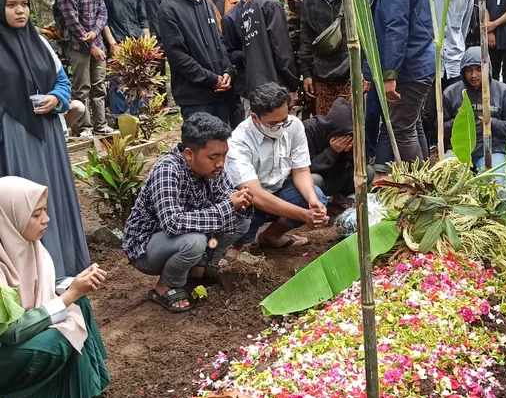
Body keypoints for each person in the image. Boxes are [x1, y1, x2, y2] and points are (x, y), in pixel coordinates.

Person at [0, 0, 91, 277]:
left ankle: (65, 268)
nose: (20, 11)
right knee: (25, 205)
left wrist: (55, 99)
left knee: (53, 200)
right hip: (13, 139)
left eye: (24, 4)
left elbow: (63, 82)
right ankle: (34, 277)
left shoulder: (39, 42)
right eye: (11, 5)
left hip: (48, 135)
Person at [0, 177, 110, 398]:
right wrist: (70, 294)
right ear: (9, 218)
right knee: (56, 340)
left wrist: (72, 287)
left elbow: (39, 288)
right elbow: (9, 333)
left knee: (76, 300)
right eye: (36, 214)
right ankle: (8, 396)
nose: (46, 219)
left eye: (45, 211)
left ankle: (91, 381)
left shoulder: (24, 246)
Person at [123, 113, 253, 312]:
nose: (220, 163)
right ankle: (166, 285)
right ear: (189, 154)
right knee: (195, 241)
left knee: (240, 219)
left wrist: (240, 199)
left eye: (224, 155)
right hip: (147, 247)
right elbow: (172, 223)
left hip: (187, 235)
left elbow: (225, 195)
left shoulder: (213, 169)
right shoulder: (167, 170)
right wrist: (228, 206)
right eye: (213, 157)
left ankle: (202, 266)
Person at [360, 0, 436, 174]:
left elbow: (396, 26)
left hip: (409, 66)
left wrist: (390, 74)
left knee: (402, 128)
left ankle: (419, 187)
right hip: (421, 59)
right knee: (413, 126)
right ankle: (427, 181)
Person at [226, 82, 329, 249]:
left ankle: (271, 236)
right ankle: (237, 245)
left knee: (317, 195)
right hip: (250, 201)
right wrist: (303, 214)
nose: (281, 127)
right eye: (273, 124)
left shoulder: (294, 126)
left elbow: (301, 170)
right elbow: (255, 194)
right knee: (244, 211)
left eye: (284, 120)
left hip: (278, 190)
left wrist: (312, 200)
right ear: (255, 118)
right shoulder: (238, 142)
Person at [158, 0, 234, 123]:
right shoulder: (169, 8)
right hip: (194, 98)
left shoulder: (206, 4)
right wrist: (211, 79)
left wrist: (228, 70)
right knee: (201, 148)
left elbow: (220, 42)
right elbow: (177, 56)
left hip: (220, 92)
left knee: (223, 147)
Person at [56, 0, 115, 137]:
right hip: (77, 47)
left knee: (99, 86)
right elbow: (71, 22)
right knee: (82, 87)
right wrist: (90, 44)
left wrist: (95, 33)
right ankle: (84, 128)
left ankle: (101, 125)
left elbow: (103, 12)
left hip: (97, 43)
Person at [422, 0, 474, 148]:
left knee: (454, 107)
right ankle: (428, 146)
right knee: (427, 109)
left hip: (454, 60)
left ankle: (451, 147)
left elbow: (464, 27)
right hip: (429, 59)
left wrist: (455, 47)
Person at [444, 47, 506, 172]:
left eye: (479, 69)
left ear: (488, 69)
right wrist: (459, 122)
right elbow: (438, 128)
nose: (474, 75)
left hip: (492, 149)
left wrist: (492, 123)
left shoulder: (504, 91)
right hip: (459, 150)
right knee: (446, 178)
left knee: (496, 183)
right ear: (463, 71)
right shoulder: (451, 93)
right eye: (469, 70)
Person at [298, 0, 351, 116]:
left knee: (350, 130)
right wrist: (306, 73)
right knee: (326, 127)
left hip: (351, 75)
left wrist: (365, 72)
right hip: (322, 77)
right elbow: (305, 37)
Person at [242, 0, 298, 100]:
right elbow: (282, 50)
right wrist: (292, 85)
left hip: (254, 84)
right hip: (273, 87)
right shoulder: (271, 4)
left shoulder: (248, 5)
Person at [102, 0, 150, 119]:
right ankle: (119, 116)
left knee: (139, 80)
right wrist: (112, 43)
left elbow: (143, 19)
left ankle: (139, 115)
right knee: (118, 81)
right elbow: (103, 20)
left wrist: (147, 43)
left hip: (137, 42)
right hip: (118, 41)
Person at [304, 97, 373, 199]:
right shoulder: (309, 128)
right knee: (314, 180)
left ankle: (342, 198)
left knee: (367, 171)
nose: (345, 140)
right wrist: (332, 151)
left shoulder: (354, 133)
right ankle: (319, 202)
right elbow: (306, 167)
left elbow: (365, 160)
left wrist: (350, 152)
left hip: (339, 178)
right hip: (321, 180)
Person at [223, 0, 256, 120]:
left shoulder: (266, 9)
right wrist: (248, 53)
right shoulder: (232, 18)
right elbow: (229, 53)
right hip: (248, 84)